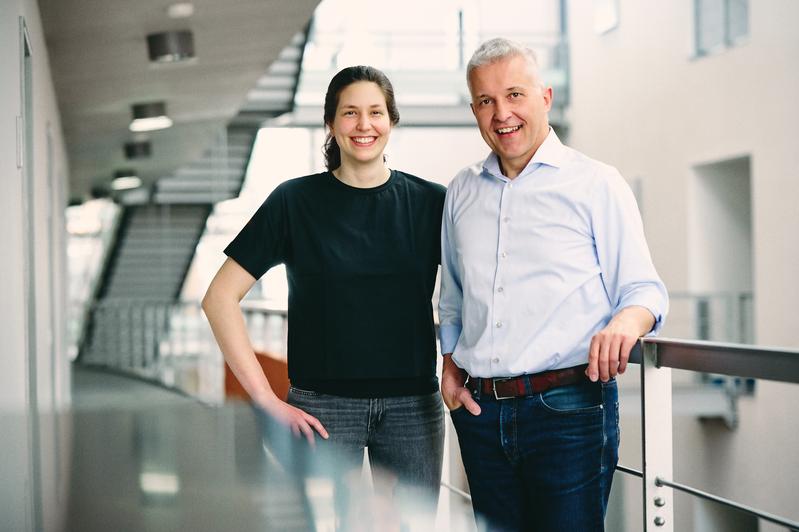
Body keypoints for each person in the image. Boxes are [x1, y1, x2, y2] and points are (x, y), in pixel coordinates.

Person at [438, 38, 669, 532]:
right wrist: (450, 363)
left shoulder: (596, 183)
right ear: (474, 110)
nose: (502, 113)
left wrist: (624, 325)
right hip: (481, 415)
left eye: (514, 95)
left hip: (568, 412)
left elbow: (645, 291)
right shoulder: (461, 190)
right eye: (486, 101)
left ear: (544, 97)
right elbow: (454, 296)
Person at [202, 66, 446, 526]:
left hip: (413, 408)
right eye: (350, 113)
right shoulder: (295, 201)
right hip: (322, 408)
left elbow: (474, 290)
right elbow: (219, 299)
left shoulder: (432, 202)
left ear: (391, 121)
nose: (363, 124)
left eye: (375, 112)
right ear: (331, 124)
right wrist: (265, 399)